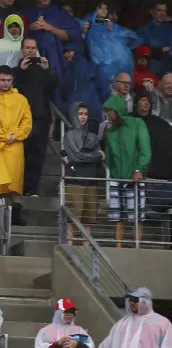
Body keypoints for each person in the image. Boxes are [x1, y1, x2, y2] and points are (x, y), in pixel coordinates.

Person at [0, 66, 33, 224]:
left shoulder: (21, 99)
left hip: (14, 145)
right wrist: (4, 136)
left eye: (9, 80)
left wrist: (15, 136)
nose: (5, 83)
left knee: (16, 182)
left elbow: (27, 122)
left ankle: (16, 215)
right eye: (2, 80)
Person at [101, 94, 150, 246]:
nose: (108, 114)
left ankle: (137, 248)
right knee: (117, 217)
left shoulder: (137, 123)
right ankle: (118, 248)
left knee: (136, 217)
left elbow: (145, 150)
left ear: (118, 110)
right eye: (107, 111)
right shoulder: (110, 131)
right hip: (117, 178)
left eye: (110, 110)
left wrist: (139, 169)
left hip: (135, 177)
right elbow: (108, 157)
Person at [12, 37, 58, 196]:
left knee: (37, 155)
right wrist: (21, 72)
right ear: (22, 49)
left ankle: (32, 189)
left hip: (40, 117)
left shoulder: (43, 69)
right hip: (20, 119)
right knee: (21, 154)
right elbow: (12, 92)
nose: (30, 51)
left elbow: (52, 90)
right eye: (27, 48)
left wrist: (47, 70)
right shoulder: (15, 71)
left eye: (33, 48)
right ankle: (20, 187)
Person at [23, 0, 81, 94]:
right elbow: (15, 32)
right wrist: (29, 27)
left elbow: (74, 34)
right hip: (33, 56)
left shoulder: (59, 12)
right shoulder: (28, 11)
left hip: (57, 57)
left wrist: (49, 27)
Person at [62, 101, 104, 242]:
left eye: (85, 114)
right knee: (72, 216)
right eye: (80, 114)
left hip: (91, 180)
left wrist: (91, 156)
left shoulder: (93, 136)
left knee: (89, 217)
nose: (83, 117)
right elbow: (76, 156)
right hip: (75, 180)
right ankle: (69, 243)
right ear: (74, 115)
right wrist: (95, 156)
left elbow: (82, 156)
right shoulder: (68, 135)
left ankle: (87, 244)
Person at [80, 1, 138, 83]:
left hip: (114, 65)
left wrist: (112, 31)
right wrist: (83, 30)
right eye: (101, 8)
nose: (104, 10)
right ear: (95, 9)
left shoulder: (109, 24)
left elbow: (129, 35)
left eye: (106, 8)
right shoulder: (87, 23)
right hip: (98, 63)